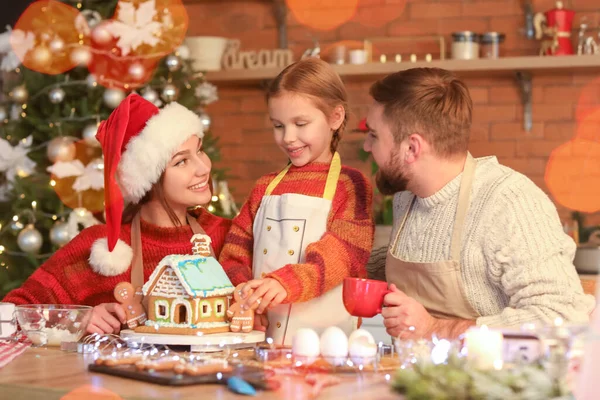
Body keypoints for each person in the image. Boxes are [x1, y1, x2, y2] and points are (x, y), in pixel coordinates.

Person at [363, 67, 595, 340]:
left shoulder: (510, 202)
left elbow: (561, 316)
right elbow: (420, 253)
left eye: (374, 135)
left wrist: (435, 328)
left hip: (497, 379)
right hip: (422, 377)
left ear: (412, 148)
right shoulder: (408, 197)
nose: (366, 146)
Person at [2, 94, 232, 335]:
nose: (204, 168)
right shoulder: (100, 248)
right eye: (181, 162)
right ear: (148, 179)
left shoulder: (228, 236)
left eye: (200, 151)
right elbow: (10, 315)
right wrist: (76, 320)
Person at [219, 57, 374, 346]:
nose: (288, 137)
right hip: (261, 339)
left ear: (335, 118)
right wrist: (245, 295)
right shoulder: (264, 187)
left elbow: (341, 256)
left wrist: (284, 283)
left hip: (326, 342)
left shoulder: (351, 186)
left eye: (300, 123)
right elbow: (234, 253)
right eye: (278, 125)